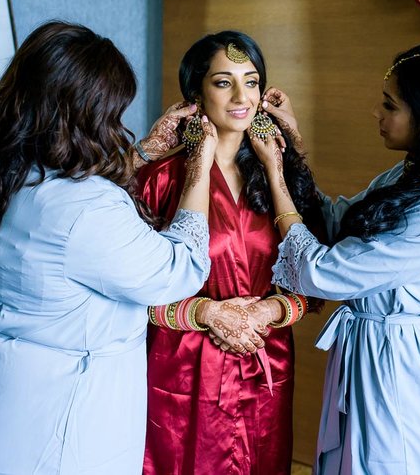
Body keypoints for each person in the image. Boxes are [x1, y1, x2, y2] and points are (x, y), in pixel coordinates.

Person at [0, 21, 215, 475]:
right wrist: (200, 168)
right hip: (52, 414)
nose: (117, 124)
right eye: (112, 112)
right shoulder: (88, 207)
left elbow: (60, 212)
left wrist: (140, 155)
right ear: (83, 114)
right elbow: (179, 272)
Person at [254, 42, 420, 475]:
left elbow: (322, 272)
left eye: (390, 105)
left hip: (398, 366)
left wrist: (276, 177)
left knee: (389, 462)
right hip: (373, 348)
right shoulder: (412, 175)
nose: (378, 113)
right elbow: (337, 223)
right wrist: (291, 145)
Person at [137, 31, 323, 475]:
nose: (242, 96)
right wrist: (207, 314)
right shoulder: (161, 179)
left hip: (265, 363)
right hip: (182, 368)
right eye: (223, 82)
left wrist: (264, 313)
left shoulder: (280, 176)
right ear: (195, 94)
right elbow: (129, 291)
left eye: (252, 81)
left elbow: (313, 288)